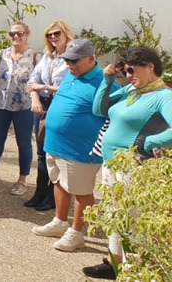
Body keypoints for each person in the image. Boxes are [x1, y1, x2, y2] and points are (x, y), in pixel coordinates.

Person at [80, 47, 172, 279]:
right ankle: (115, 264)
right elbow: (99, 109)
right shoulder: (133, 90)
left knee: (132, 218)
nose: (129, 74)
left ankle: (133, 268)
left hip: (134, 166)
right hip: (112, 162)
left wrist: (147, 142)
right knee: (114, 214)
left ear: (151, 67)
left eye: (133, 69)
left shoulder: (163, 96)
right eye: (126, 69)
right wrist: (108, 79)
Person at [32, 39, 112, 252]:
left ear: (91, 59)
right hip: (56, 143)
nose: (69, 65)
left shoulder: (105, 81)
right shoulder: (71, 73)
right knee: (59, 182)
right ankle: (60, 222)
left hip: (81, 149)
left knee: (82, 191)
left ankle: (76, 233)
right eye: (67, 60)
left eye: (75, 61)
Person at [0, 22, 40, 195]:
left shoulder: (35, 57)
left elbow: (37, 81)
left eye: (19, 34)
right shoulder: (1, 54)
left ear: (27, 35)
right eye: (12, 34)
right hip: (1, 104)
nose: (15, 37)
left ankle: (22, 180)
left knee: (24, 143)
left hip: (24, 107)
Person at [25, 20, 75, 210]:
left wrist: (44, 87)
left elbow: (71, 87)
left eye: (57, 33)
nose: (53, 37)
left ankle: (52, 197)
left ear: (66, 34)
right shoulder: (48, 56)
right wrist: (35, 98)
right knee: (41, 153)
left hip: (61, 106)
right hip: (42, 106)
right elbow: (33, 79)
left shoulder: (74, 58)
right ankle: (39, 193)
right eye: (50, 34)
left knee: (56, 152)